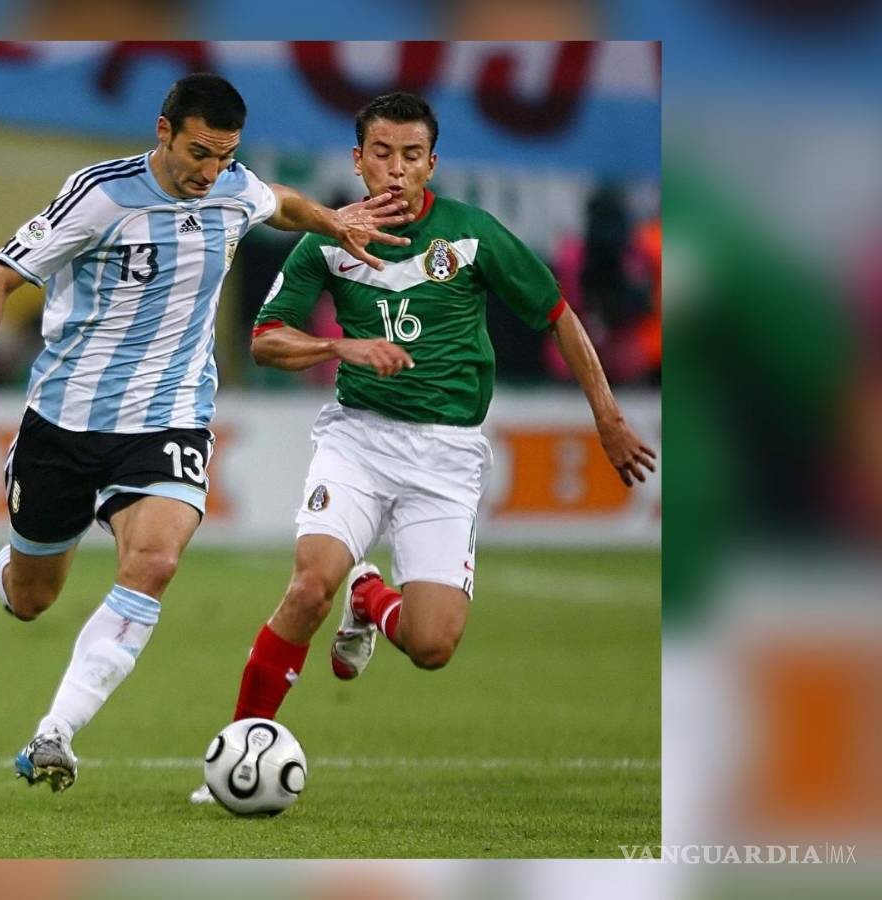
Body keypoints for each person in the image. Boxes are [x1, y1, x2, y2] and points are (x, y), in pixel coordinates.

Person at [0, 73, 413, 793]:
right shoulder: (99, 195)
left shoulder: (231, 186)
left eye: (225, 156)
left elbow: (276, 202)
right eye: (199, 153)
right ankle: (11, 567)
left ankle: (54, 732)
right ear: (163, 132)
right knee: (32, 597)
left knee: (155, 561)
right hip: (66, 421)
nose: (210, 172)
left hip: (170, 416)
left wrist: (332, 221)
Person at [191, 91, 656, 803]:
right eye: (382, 154)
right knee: (310, 581)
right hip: (358, 439)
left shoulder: (471, 235)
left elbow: (558, 316)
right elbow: (265, 340)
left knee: (433, 645)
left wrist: (608, 417)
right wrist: (344, 346)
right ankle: (240, 751)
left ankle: (371, 597)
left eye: (412, 156)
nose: (397, 170)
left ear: (432, 162)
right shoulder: (326, 241)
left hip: (446, 455)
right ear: (358, 160)